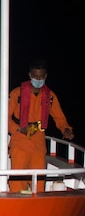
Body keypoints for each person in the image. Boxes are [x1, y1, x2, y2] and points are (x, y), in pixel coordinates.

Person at [7, 59, 75, 193]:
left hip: (38, 144)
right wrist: (19, 128)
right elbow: (5, 118)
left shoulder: (50, 97)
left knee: (38, 183)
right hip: (20, 142)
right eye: (35, 76)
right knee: (17, 182)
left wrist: (66, 129)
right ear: (29, 75)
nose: (38, 79)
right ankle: (16, 207)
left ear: (45, 76)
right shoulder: (16, 94)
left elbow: (59, 118)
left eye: (41, 76)